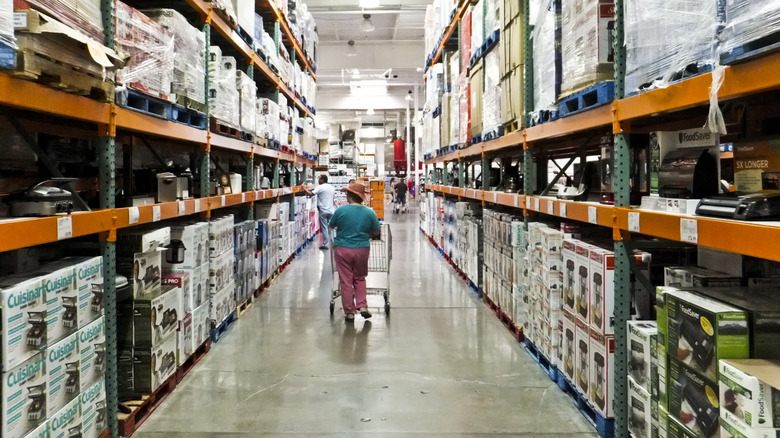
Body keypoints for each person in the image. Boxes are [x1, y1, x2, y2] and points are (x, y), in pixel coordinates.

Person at [329, 181, 381, 322]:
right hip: (362, 249)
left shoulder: (340, 210)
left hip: (342, 249)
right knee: (359, 278)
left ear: (350, 195)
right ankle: (362, 305)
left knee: (346, 280)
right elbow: (376, 231)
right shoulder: (369, 212)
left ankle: (350, 312)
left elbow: (331, 225)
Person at [303, 174, 336, 250]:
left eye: (319, 179)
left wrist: (304, 188)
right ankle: (334, 243)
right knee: (331, 227)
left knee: (324, 228)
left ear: (323, 180)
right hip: (331, 210)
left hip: (323, 210)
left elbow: (311, 194)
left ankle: (326, 244)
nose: (318, 180)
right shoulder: (331, 187)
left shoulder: (320, 187)